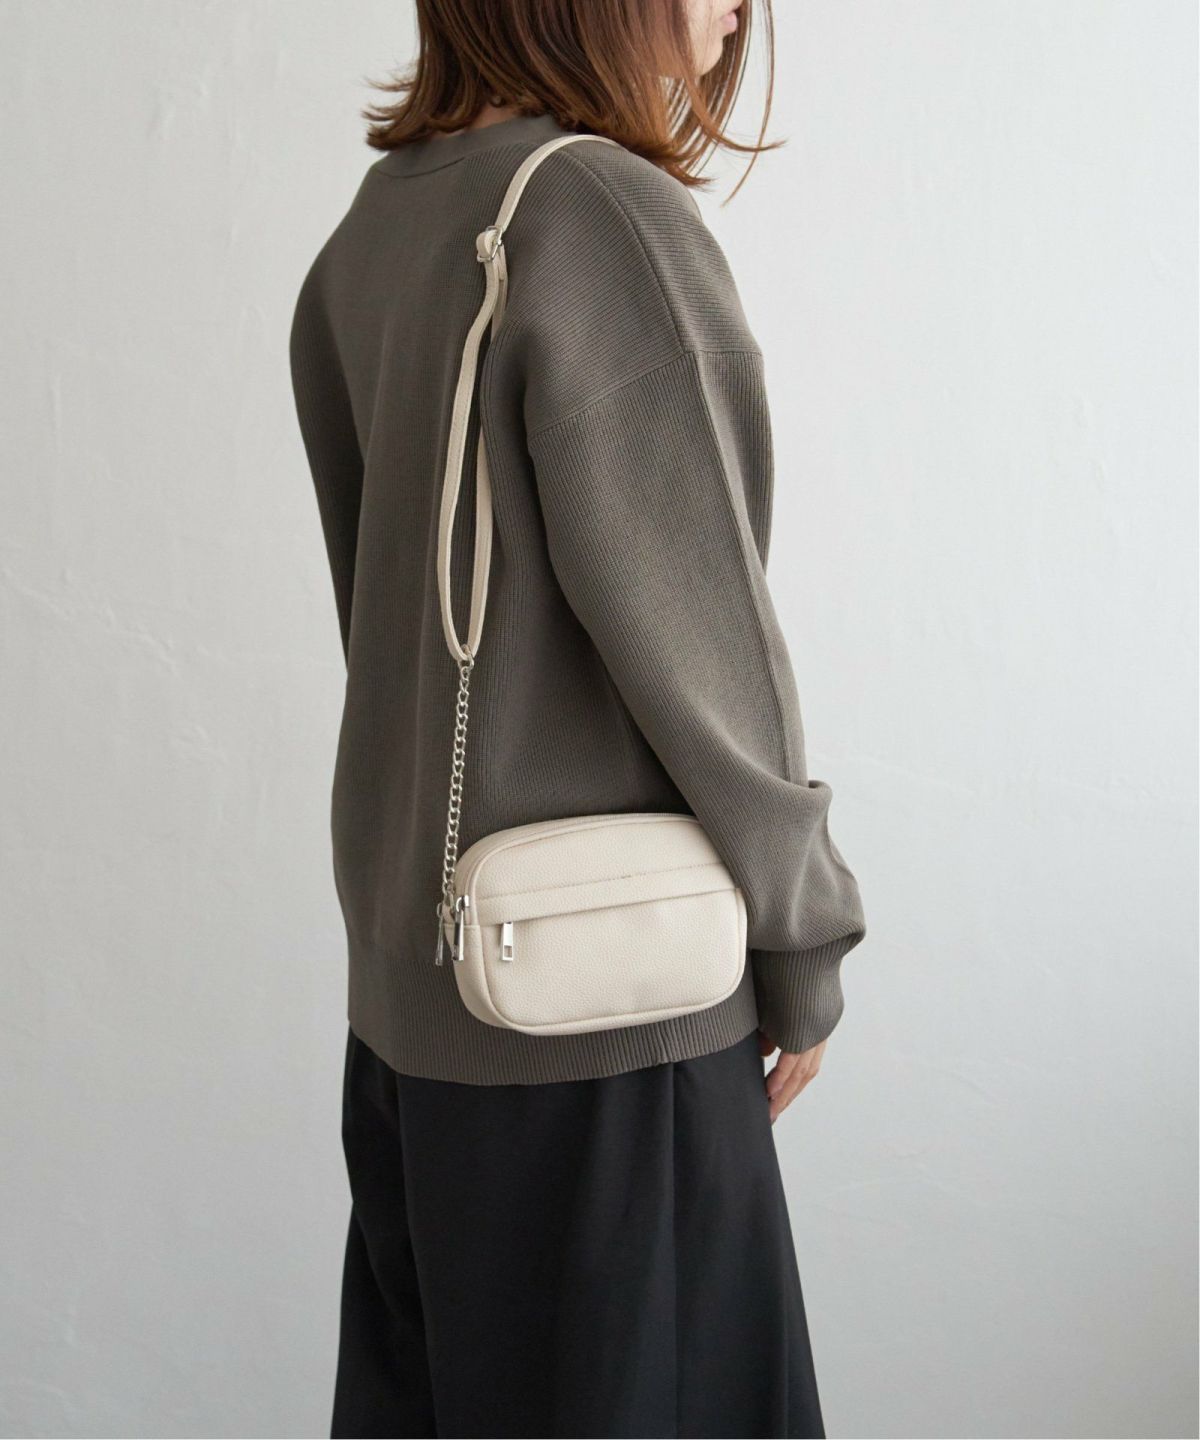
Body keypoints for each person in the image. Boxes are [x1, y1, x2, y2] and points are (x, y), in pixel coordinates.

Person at [288, 1, 867, 1434]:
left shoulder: (380, 227)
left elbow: (384, 629)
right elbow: (703, 641)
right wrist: (804, 935)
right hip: (603, 1034)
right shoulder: (594, 215)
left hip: (419, 1014)